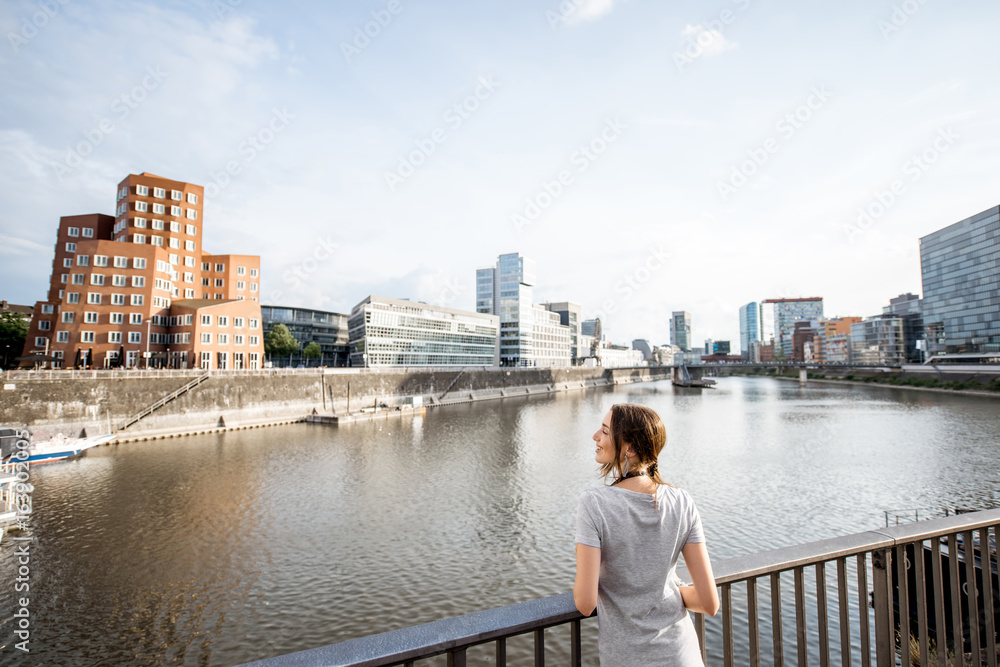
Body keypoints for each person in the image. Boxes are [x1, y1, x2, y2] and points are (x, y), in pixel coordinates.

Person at [574, 403, 719, 666]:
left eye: (605, 431)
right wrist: (669, 590)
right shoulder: (682, 501)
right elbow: (709, 603)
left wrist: (580, 554)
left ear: (628, 448)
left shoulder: (594, 503)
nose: (595, 435)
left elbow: (585, 603)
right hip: (683, 655)